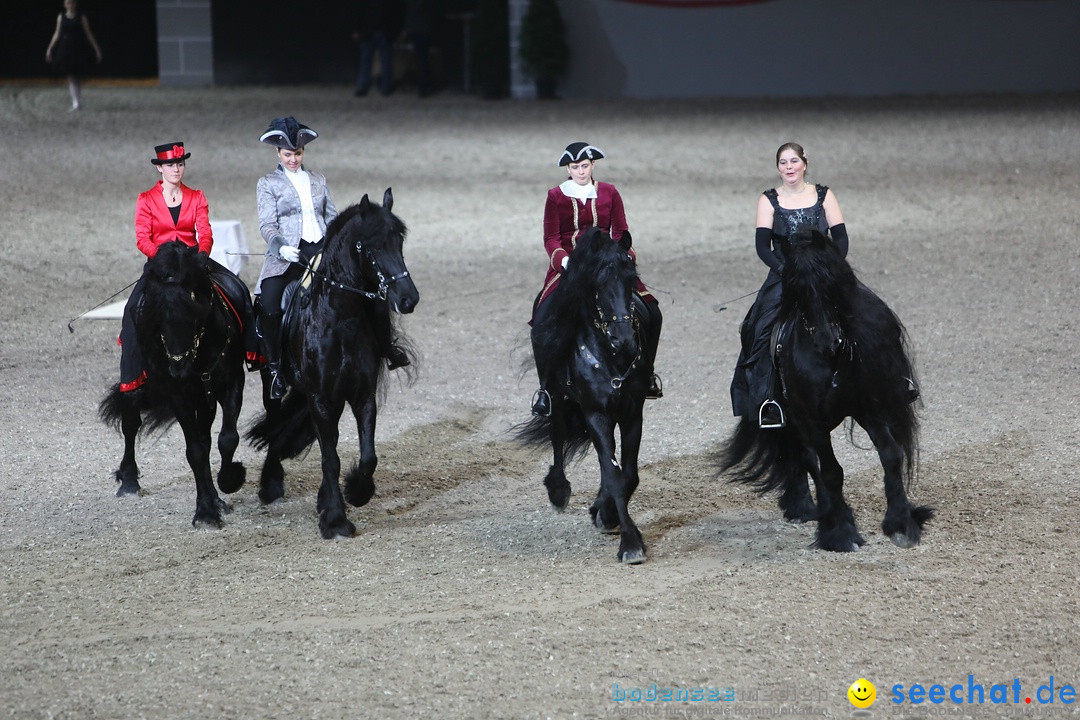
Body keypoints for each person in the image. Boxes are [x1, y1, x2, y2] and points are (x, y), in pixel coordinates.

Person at [255, 116, 409, 400]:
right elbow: (267, 224)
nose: (293, 159)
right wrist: (280, 247)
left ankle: (387, 348)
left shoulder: (317, 180)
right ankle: (276, 368)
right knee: (269, 301)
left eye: (297, 154)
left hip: (322, 250)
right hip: (289, 254)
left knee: (370, 291)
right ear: (278, 153)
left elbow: (332, 217)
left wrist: (336, 244)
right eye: (288, 154)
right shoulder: (267, 184)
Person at [530, 141, 663, 417]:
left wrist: (618, 257)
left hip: (608, 264)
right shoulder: (555, 196)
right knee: (542, 318)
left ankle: (647, 373)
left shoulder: (610, 192)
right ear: (568, 168)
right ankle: (546, 389)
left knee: (652, 311)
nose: (580, 171)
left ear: (593, 166)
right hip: (571, 266)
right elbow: (551, 238)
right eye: (575, 167)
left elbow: (621, 230)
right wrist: (565, 260)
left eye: (585, 166)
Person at [119, 142, 259, 392]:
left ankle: (251, 352)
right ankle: (133, 376)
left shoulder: (197, 196)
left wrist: (202, 253)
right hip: (160, 266)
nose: (176, 169)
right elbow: (143, 238)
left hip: (192, 262)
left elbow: (204, 230)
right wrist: (162, 260)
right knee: (133, 311)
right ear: (160, 168)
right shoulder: (146, 199)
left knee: (238, 291)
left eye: (180, 164)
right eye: (171, 165)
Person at [730, 142, 848, 429]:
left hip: (822, 272)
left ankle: (886, 382)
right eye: (783, 163)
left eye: (794, 161)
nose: (789, 167)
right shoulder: (769, 200)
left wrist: (829, 267)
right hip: (785, 275)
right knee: (758, 328)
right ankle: (767, 400)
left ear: (804, 164)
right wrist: (786, 270)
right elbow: (762, 246)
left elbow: (841, 238)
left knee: (866, 315)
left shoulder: (824, 195)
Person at [45, 0, 103, 112]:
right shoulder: (61, 17)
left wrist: (96, 49)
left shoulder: (81, 17)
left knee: (79, 76)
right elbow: (57, 33)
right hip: (65, 49)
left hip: (78, 49)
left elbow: (88, 33)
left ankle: (78, 99)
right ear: (65, 4)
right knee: (70, 75)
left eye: (72, 2)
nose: (70, 5)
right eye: (67, 3)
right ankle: (76, 102)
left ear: (75, 4)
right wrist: (50, 48)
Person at [352, 0, 406, 97]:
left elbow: (360, 11)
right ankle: (385, 87)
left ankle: (363, 86)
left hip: (369, 31)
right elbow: (397, 13)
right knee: (385, 61)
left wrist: (357, 29)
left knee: (366, 60)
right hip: (383, 31)